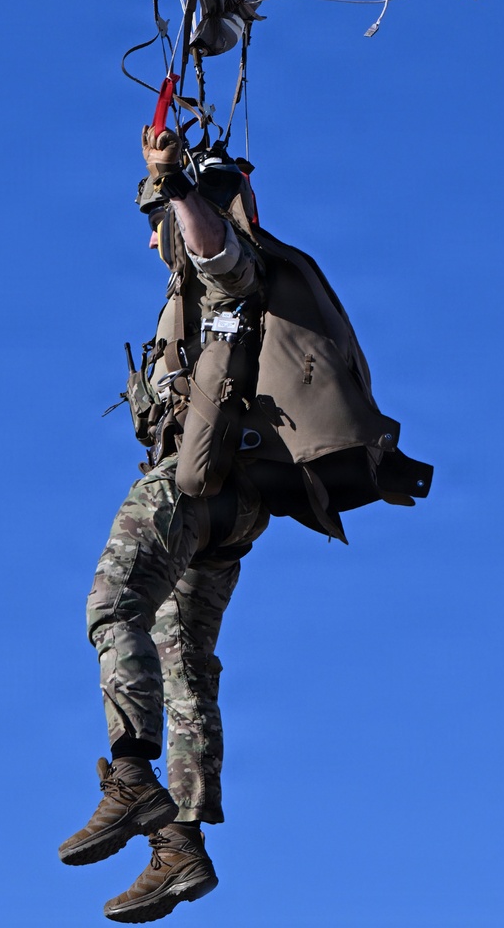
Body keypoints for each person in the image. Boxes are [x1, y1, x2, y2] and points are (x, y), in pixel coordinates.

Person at [58, 124, 432, 923]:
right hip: (233, 509)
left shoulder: (228, 280)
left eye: (155, 217)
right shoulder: (187, 305)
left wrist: (178, 185)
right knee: (184, 657)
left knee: (113, 602)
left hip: (198, 486)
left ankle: (130, 775)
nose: (153, 230)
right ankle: (182, 846)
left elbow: (217, 258)